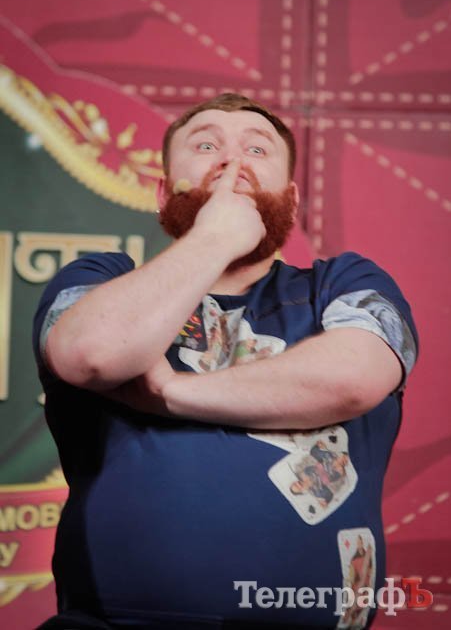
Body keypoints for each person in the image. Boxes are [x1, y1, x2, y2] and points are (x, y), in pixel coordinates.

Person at [33, 93, 418, 629]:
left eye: (257, 149)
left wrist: (169, 392)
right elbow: (90, 354)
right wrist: (215, 236)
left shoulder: (345, 284)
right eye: (206, 146)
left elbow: (354, 378)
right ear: (164, 193)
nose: (232, 161)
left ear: (290, 199)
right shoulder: (99, 281)